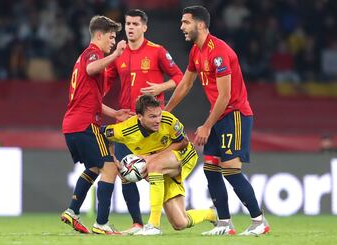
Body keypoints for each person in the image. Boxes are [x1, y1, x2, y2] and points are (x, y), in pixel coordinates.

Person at [165, 6, 270, 236]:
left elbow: (225, 96)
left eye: (186, 22)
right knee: (211, 169)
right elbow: (185, 84)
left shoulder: (219, 52)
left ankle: (259, 221)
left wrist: (207, 125)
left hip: (235, 114)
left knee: (231, 169)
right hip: (218, 114)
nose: (182, 27)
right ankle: (224, 223)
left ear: (200, 25)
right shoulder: (196, 51)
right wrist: (166, 111)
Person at [105, 9, 183, 234]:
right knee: (125, 174)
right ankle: (137, 223)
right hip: (127, 125)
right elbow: (106, 82)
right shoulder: (118, 54)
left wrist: (161, 87)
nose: (130, 27)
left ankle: (164, 217)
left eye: (135, 24)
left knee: (154, 173)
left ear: (144, 27)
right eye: (128, 23)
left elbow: (179, 77)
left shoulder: (157, 51)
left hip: (152, 128)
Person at [100, 94, 217, 235]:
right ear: (139, 117)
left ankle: (153, 225)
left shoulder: (167, 119)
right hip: (161, 168)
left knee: (154, 165)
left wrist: (152, 158)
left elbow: (184, 142)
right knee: (180, 222)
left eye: (158, 115)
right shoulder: (125, 129)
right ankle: (212, 214)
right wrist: (112, 159)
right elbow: (101, 134)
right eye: (152, 117)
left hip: (184, 156)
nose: (157, 120)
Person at [60, 15, 131, 235]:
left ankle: (72, 211)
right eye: (111, 36)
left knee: (93, 168)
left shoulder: (84, 58)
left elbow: (91, 100)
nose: (113, 41)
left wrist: (114, 112)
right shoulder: (93, 53)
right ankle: (102, 222)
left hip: (73, 125)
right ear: (99, 35)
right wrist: (117, 54)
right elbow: (92, 69)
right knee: (109, 167)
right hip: (85, 124)